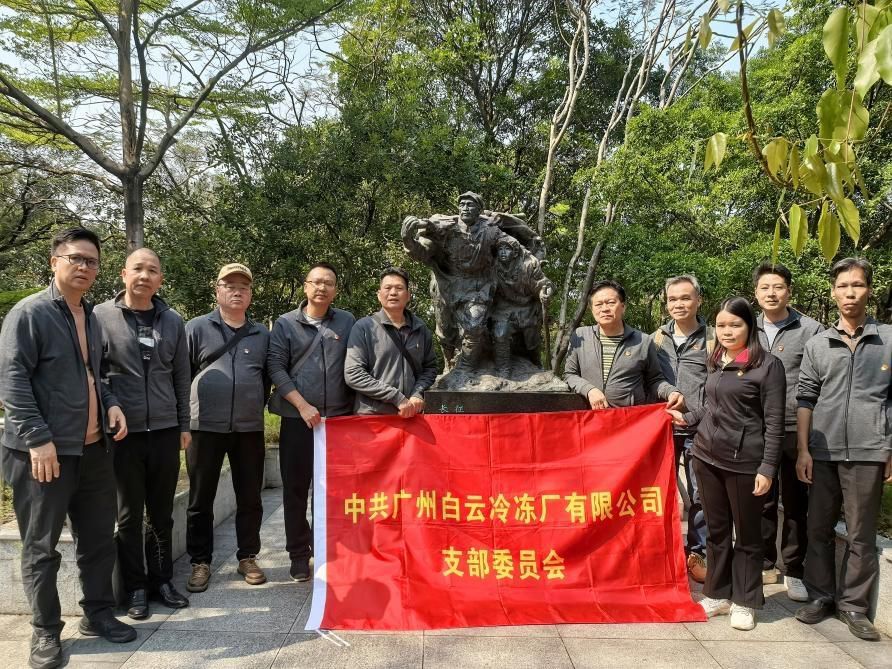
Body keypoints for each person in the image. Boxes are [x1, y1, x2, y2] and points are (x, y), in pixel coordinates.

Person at [0, 227, 135, 669]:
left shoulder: (90, 316)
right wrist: (38, 439)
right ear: (54, 261)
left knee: (97, 539)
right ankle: (45, 631)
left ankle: (98, 613)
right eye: (75, 258)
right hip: (44, 454)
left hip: (93, 448)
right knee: (42, 547)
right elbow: (12, 380)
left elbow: (96, 373)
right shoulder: (30, 313)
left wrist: (111, 404)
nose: (84, 267)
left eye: (91, 261)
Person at [668, 296, 785, 631]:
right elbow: (712, 407)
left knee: (747, 536)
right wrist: (687, 417)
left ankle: (745, 601)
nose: (727, 331)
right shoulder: (718, 359)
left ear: (750, 326)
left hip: (745, 463)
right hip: (707, 458)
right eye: (721, 325)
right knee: (717, 532)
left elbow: (774, 422)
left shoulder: (767, 366)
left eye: (735, 324)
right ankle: (718, 593)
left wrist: (767, 468)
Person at [794, 257, 892, 641]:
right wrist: (803, 450)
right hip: (823, 450)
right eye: (843, 286)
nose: (850, 293)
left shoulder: (887, 340)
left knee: (860, 533)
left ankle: (854, 606)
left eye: (857, 285)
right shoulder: (818, 344)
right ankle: (820, 596)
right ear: (833, 292)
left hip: (869, 450)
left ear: (869, 289)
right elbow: (805, 399)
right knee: (817, 527)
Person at [94, 248, 192, 619]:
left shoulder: (172, 320)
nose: (144, 276)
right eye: (138, 268)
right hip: (124, 433)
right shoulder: (100, 316)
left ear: (160, 279)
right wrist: (110, 407)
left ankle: (162, 581)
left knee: (162, 513)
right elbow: (96, 372)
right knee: (129, 514)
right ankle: (135, 586)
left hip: (165, 429)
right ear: (124, 274)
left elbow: (181, 375)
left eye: (152, 270)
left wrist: (184, 424)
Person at [184, 263, 270, 592]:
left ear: (250, 294)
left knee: (250, 497)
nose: (237, 291)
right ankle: (200, 561)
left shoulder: (262, 334)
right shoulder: (196, 327)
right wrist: (184, 420)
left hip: (248, 428)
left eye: (243, 287)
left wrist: (252, 405)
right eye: (229, 285)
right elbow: (181, 375)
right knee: (200, 498)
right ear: (217, 290)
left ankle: (247, 556)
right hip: (204, 426)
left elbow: (267, 378)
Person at [267, 262, 355, 582]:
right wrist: (303, 406)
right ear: (305, 286)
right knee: (295, 488)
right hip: (297, 420)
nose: (321, 287)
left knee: (332, 491)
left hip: (338, 422)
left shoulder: (347, 322)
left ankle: (326, 548)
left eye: (328, 282)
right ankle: (298, 555)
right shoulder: (285, 323)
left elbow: (356, 365)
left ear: (335, 290)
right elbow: (276, 368)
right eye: (316, 282)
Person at [401, 192, 542, 370]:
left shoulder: (490, 230)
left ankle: (465, 368)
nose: (465, 208)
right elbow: (423, 252)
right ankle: (449, 364)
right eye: (462, 205)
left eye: (470, 205)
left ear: (479, 210)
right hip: (447, 285)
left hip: (478, 287)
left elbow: (515, 248)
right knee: (445, 332)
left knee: (474, 326)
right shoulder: (445, 228)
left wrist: (537, 271)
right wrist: (408, 239)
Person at [752, 261, 823, 599]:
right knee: (762, 499)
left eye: (778, 287)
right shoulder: (747, 327)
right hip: (757, 428)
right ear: (755, 293)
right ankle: (765, 563)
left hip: (796, 428)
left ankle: (794, 569)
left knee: (796, 502)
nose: (771, 293)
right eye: (765, 288)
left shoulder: (811, 329)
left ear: (789, 292)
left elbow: (819, 379)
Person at [652, 275, 713, 584]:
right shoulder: (655, 339)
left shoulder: (714, 338)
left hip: (701, 428)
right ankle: (662, 552)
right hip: (661, 428)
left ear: (698, 300)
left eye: (686, 298)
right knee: (658, 493)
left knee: (701, 493)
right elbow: (650, 380)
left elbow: (719, 386)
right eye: (673, 299)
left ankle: (698, 553)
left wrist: (693, 416)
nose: (679, 304)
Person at [564, 279, 683, 410]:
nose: (605, 309)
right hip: (589, 415)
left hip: (628, 417)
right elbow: (570, 374)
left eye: (611, 303)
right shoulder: (580, 336)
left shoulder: (643, 341)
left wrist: (671, 392)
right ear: (591, 309)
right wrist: (589, 390)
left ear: (623, 306)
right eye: (598, 304)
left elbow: (654, 380)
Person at [344, 267, 438, 416]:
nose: (393, 293)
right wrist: (396, 398)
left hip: (411, 415)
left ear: (408, 295)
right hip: (372, 417)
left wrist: (418, 393)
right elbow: (353, 374)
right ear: (379, 295)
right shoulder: (363, 327)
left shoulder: (421, 329)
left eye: (399, 288)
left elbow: (430, 368)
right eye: (387, 288)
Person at [490, 236, 554, 375]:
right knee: (500, 333)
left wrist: (544, 293)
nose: (503, 252)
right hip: (503, 309)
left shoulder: (528, 265)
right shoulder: (493, 267)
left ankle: (536, 363)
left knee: (532, 342)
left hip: (527, 308)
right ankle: (503, 369)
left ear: (514, 252)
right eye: (500, 249)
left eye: (507, 249)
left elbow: (543, 284)